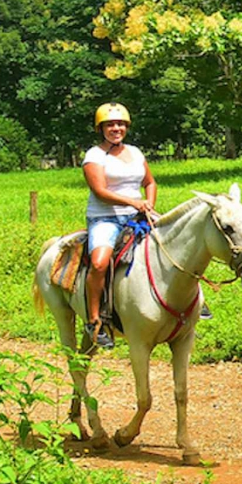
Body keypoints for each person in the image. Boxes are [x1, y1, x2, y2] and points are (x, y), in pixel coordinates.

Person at [83, 103, 157, 350]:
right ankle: (94, 319)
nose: (116, 128)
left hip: (137, 214)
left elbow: (150, 182)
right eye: (110, 125)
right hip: (105, 218)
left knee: (181, 240)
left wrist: (149, 205)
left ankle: (193, 303)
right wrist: (133, 202)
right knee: (99, 263)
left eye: (121, 124)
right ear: (101, 128)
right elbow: (100, 191)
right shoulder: (94, 156)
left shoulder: (135, 152)